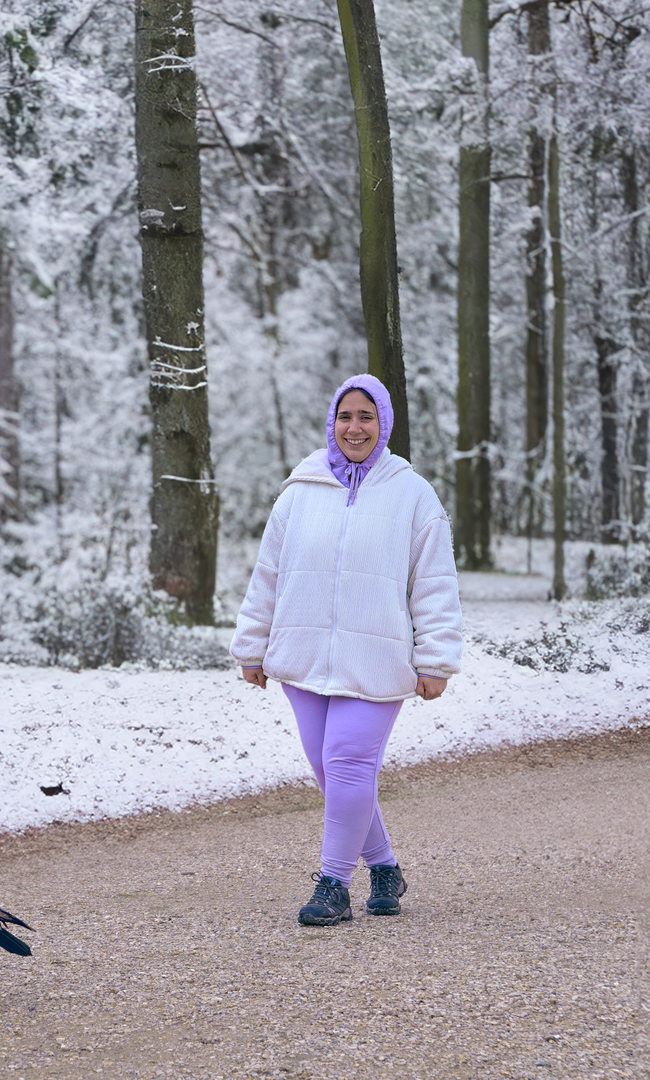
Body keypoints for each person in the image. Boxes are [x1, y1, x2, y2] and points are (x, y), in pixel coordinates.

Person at [230, 373, 462, 926]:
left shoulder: (413, 494)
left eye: (366, 416)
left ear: (383, 424)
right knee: (330, 770)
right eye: (345, 416)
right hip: (304, 654)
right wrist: (252, 646)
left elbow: (434, 581)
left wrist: (436, 659)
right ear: (332, 423)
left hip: (378, 659)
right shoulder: (301, 489)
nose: (354, 427)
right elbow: (269, 573)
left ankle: (333, 884)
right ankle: (384, 866)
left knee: (349, 762)